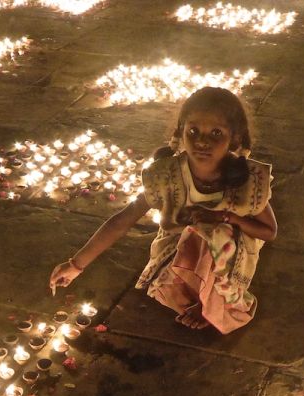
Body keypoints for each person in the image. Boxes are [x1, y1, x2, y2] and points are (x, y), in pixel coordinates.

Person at [50, 87, 277, 334]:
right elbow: (123, 220)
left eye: (216, 133)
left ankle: (209, 303)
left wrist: (225, 217)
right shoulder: (166, 176)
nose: (202, 141)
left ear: (234, 138)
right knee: (188, 248)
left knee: (212, 235)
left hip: (229, 255)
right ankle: (198, 294)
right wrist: (76, 264)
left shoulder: (246, 183)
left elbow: (268, 232)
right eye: (193, 131)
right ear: (180, 133)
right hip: (177, 245)